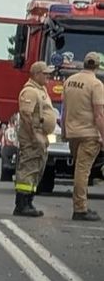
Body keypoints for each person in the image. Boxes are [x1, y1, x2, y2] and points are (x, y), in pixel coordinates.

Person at [59, 52, 104, 222]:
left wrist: (64, 132)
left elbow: (64, 111)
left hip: (73, 134)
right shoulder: (96, 84)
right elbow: (99, 115)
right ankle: (80, 209)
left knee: (79, 170)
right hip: (89, 134)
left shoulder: (69, 81)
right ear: (98, 66)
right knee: (83, 172)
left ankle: (80, 205)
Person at [14, 61, 58, 217]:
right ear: (36, 74)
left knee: (36, 169)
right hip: (33, 137)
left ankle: (29, 202)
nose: (48, 76)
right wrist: (34, 136)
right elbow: (26, 114)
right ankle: (22, 204)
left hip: (41, 136)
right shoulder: (30, 92)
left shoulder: (41, 90)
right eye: (45, 73)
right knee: (28, 169)